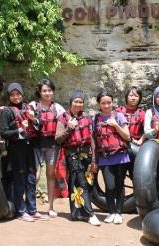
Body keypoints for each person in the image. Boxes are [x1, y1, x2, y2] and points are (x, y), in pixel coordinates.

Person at [0, 82, 47, 222]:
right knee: (19, 178)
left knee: (31, 178)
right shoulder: (7, 111)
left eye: (18, 94)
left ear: (22, 94)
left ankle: (32, 209)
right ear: (9, 96)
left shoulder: (29, 108)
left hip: (29, 147)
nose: (16, 97)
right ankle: (21, 211)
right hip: (16, 149)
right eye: (13, 95)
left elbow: (40, 126)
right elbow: (4, 133)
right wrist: (19, 130)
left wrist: (33, 119)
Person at [55, 90, 101, 226]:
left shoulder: (87, 117)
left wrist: (93, 159)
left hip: (86, 154)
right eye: (76, 101)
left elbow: (92, 139)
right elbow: (58, 139)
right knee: (80, 182)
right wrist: (69, 128)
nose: (78, 104)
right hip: (72, 154)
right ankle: (90, 214)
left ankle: (77, 213)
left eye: (81, 102)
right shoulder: (63, 118)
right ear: (71, 102)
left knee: (87, 184)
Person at [27, 79, 65, 218]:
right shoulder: (32, 106)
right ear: (40, 92)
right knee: (35, 175)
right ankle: (31, 206)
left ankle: (50, 207)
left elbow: (62, 127)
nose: (47, 93)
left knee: (50, 174)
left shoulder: (58, 108)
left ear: (53, 91)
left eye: (49, 90)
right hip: (36, 144)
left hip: (52, 145)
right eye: (44, 91)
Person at [94, 91, 131, 224]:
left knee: (119, 185)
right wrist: (94, 160)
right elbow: (94, 140)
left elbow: (127, 136)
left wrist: (115, 125)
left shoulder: (119, 116)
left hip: (121, 157)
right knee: (109, 186)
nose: (106, 105)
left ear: (112, 102)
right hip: (105, 157)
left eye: (109, 102)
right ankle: (111, 211)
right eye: (103, 103)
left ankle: (119, 212)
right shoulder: (96, 119)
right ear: (99, 104)